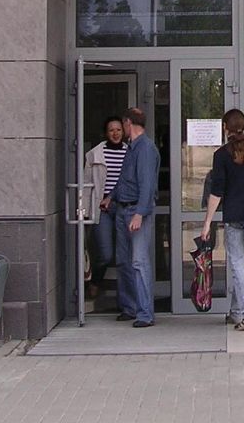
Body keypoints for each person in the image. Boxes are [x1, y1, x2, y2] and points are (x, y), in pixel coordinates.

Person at [199, 109, 244, 331]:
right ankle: (237, 311)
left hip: (233, 216)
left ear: (225, 128)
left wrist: (207, 222)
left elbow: (217, 192)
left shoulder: (221, 155)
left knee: (238, 264)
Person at [109, 107, 160, 328]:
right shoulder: (132, 148)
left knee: (139, 261)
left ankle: (145, 314)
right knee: (124, 261)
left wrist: (139, 213)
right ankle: (130, 307)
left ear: (128, 123)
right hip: (123, 209)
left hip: (135, 211)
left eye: (123, 125)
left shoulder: (145, 148)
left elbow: (147, 185)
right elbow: (125, 180)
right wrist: (111, 197)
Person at [84, 117, 127, 301]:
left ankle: (125, 297)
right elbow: (86, 184)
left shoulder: (130, 152)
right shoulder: (95, 155)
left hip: (123, 206)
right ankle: (95, 281)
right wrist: (85, 210)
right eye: (111, 130)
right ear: (106, 133)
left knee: (125, 254)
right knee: (105, 253)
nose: (115, 133)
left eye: (118, 129)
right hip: (102, 208)